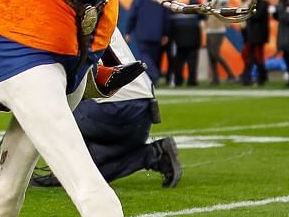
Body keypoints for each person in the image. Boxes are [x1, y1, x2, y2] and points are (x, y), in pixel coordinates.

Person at [34, 38, 181, 188]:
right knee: (86, 174)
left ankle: (62, 169)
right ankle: (153, 154)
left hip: (111, 109)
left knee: (45, 108)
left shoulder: (62, 22)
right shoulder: (104, 20)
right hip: (142, 112)